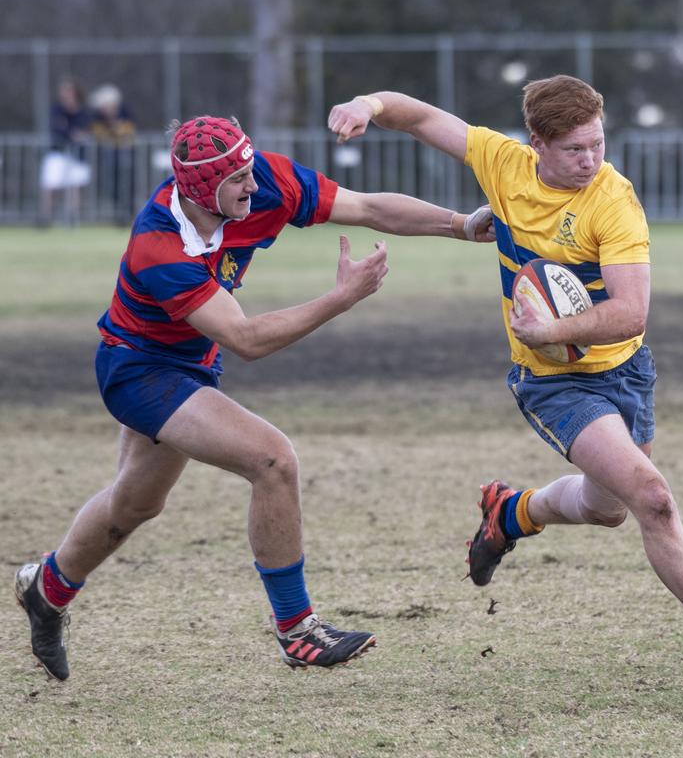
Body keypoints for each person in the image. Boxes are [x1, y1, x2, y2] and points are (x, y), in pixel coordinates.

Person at [328, 76, 683, 691]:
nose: (591, 159)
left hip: (624, 370)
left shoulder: (614, 201)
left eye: (598, 143)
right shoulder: (502, 163)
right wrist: (369, 104)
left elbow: (631, 312)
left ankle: (512, 512)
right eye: (575, 149)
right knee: (652, 497)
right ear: (537, 145)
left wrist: (552, 326)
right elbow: (418, 117)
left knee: (609, 510)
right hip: (553, 383)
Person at [14, 115, 495, 681]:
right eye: (237, 179)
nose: (252, 185)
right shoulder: (159, 244)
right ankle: (298, 631)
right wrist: (340, 299)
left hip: (191, 362)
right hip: (139, 370)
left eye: (249, 170)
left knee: (136, 504)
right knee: (272, 461)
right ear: (198, 189)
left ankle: (46, 589)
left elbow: (367, 207)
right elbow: (246, 339)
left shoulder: (265, 181)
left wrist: (462, 224)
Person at [39, 77, 92, 226]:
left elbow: (85, 131)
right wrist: (72, 133)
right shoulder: (56, 110)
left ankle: (72, 218)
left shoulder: (83, 112)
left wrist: (71, 132)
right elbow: (58, 128)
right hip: (58, 152)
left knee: (75, 187)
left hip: (78, 156)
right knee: (51, 185)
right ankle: (46, 218)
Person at [88, 84, 137, 224]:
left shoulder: (126, 112)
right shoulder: (98, 117)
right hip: (109, 158)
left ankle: (128, 212)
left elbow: (128, 133)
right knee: (112, 185)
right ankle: (119, 213)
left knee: (128, 184)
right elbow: (99, 134)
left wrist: (115, 128)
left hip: (126, 155)